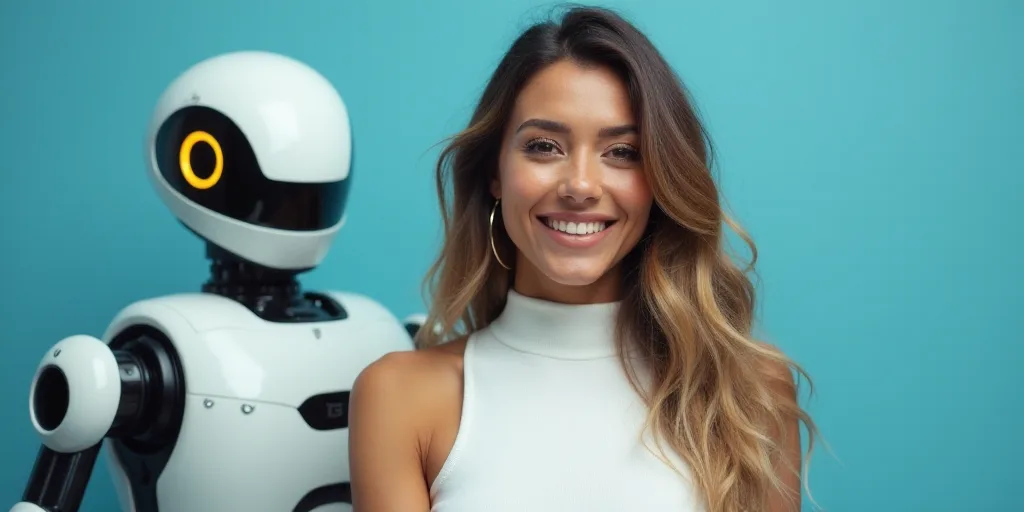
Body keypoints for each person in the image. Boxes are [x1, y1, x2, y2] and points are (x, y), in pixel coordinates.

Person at [348, 5, 818, 512]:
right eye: (545, 146)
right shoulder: (399, 396)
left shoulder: (747, 392)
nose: (580, 186)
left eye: (622, 152)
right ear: (495, 173)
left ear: (660, 182)